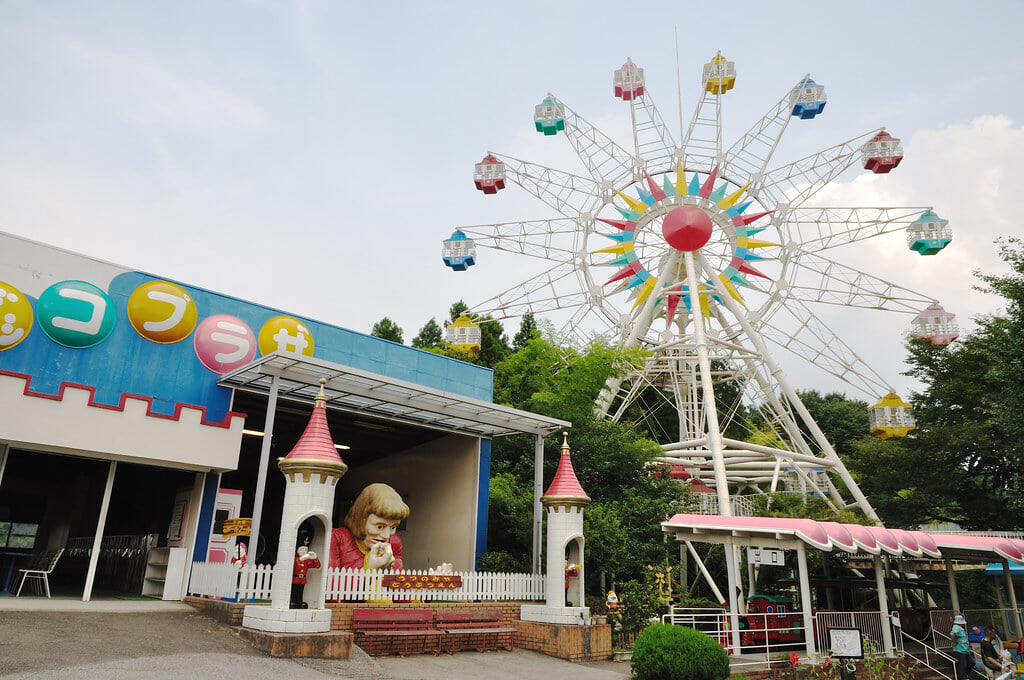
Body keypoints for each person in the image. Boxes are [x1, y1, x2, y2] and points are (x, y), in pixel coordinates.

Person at [329, 483, 408, 571]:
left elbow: (395, 579)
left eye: (393, 528)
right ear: (361, 519)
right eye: (379, 527)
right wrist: (369, 568)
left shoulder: (394, 542)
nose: (386, 536)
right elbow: (327, 580)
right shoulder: (337, 539)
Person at [290, 543, 320, 609]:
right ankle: (292, 601)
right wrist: (302, 558)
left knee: (300, 591)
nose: (303, 551)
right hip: (295, 578)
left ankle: (299, 602)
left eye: (305, 550)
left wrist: (315, 558)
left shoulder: (307, 560)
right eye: (301, 549)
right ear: (297, 551)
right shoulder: (295, 558)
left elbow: (317, 566)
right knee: (294, 591)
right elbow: (296, 563)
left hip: (302, 579)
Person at [952, 615, 972, 680]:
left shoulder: (962, 629)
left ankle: (964, 674)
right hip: (960, 649)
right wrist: (954, 641)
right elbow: (953, 634)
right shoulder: (956, 627)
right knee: (963, 664)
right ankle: (963, 677)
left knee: (971, 662)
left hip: (965, 649)